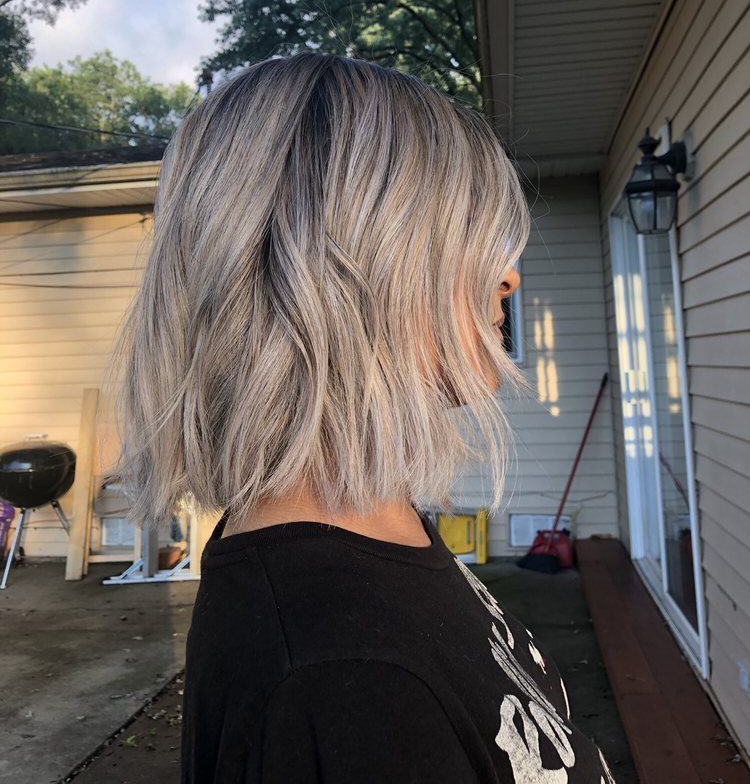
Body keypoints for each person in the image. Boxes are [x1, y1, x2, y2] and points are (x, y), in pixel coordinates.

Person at [105, 54, 617, 783]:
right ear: (335, 271)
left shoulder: (373, 529)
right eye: (463, 234)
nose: (507, 276)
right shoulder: (343, 685)